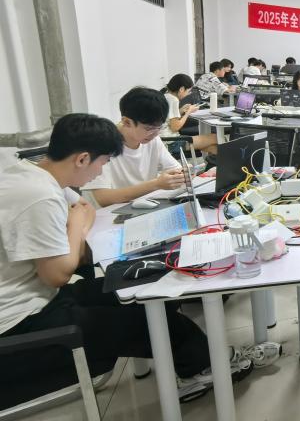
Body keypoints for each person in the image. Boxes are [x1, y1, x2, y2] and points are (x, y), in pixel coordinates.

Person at [0, 114, 280, 406]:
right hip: (20, 322)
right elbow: (57, 274)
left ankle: (189, 362)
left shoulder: (35, 173)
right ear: (82, 159)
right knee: (146, 321)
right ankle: (205, 370)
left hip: (38, 300)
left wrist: (76, 223)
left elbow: (83, 208)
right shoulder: (41, 197)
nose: (100, 172)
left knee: (148, 290)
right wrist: (76, 225)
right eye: (102, 163)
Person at [83, 88, 186, 207]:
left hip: (144, 206)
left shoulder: (152, 139)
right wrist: (156, 184)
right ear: (127, 122)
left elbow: (175, 168)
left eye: (159, 127)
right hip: (112, 213)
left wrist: (182, 174)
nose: (155, 133)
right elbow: (103, 198)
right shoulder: (101, 144)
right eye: (149, 128)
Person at [161, 74, 218, 154]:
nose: (188, 94)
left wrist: (181, 110)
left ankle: (213, 161)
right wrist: (188, 112)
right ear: (181, 89)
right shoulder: (173, 100)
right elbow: (175, 127)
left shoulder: (165, 96)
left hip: (164, 141)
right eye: (188, 91)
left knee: (212, 147)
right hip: (172, 143)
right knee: (215, 138)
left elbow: (168, 119)